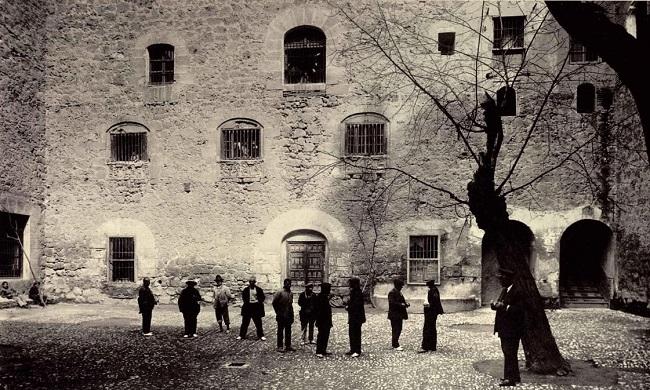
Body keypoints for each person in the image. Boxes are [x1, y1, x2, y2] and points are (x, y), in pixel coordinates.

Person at [491, 268, 524, 387]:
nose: (500, 280)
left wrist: (505, 307)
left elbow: (520, 310)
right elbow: (501, 305)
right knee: (508, 352)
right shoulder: (505, 290)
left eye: (502, 278)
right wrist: (494, 306)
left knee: (510, 352)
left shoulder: (517, 291)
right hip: (504, 328)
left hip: (512, 329)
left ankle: (510, 379)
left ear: (508, 279)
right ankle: (513, 376)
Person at [237, 276, 266, 341]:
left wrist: (258, 301)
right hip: (248, 307)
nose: (252, 283)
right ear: (249, 282)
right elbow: (244, 298)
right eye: (250, 282)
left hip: (256, 307)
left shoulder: (259, 289)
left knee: (258, 322)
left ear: (255, 282)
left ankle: (261, 335)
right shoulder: (246, 290)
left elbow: (263, 297)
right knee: (245, 322)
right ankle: (241, 335)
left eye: (253, 282)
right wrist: (248, 302)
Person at [419, 279, 444, 353]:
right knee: (432, 328)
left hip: (431, 313)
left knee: (427, 328)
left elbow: (434, 302)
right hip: (432, 312)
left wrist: (428, 306)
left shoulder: (433, 291)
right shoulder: (434, 290)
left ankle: (426, 346)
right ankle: (432, 346)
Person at [272, 278, 295, 352]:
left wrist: (292, 315)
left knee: (288, 331)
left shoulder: (291, 293)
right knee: (280, 331)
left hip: (288, 315)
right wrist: (278, 312)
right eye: (287, 283)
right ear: (284, 284)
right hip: (281, 315)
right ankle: (280, 346)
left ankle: (288, 346)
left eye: (289, 283)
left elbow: (290, 305)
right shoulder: (280, 292)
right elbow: (274, 303)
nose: (288, 285)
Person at [345, 277, 366, 357]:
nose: (349, 285)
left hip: (357, 317)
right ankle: (353, 349)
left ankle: (357, 350)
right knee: (352, 333)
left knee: (356, 333)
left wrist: (348, 307)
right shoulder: (354, 292)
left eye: (350, 283)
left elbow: (356, 305)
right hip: (353, 317)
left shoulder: (358, 293)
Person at [387, 278, 409, 351]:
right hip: (394, 314)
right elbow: (392, 303)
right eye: (401, 286)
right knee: (396, 329)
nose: (402, 287)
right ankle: (395, 345)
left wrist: (405, 303)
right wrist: (402, 305)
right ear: (397, 285)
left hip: (399, 314)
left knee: (398, 329)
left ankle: (395, 343)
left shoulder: (399, 292)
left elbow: (401, 300)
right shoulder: (392, 292)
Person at [315, 282, 333, 358]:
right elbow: (320, 310)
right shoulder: (320, 297)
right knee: (321, 335)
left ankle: (323, 350)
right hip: (322, 320)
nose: (329, 290)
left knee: (326, 335)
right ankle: (319, 351)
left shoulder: (324, 296)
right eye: (328, 289)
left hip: (326, 320)